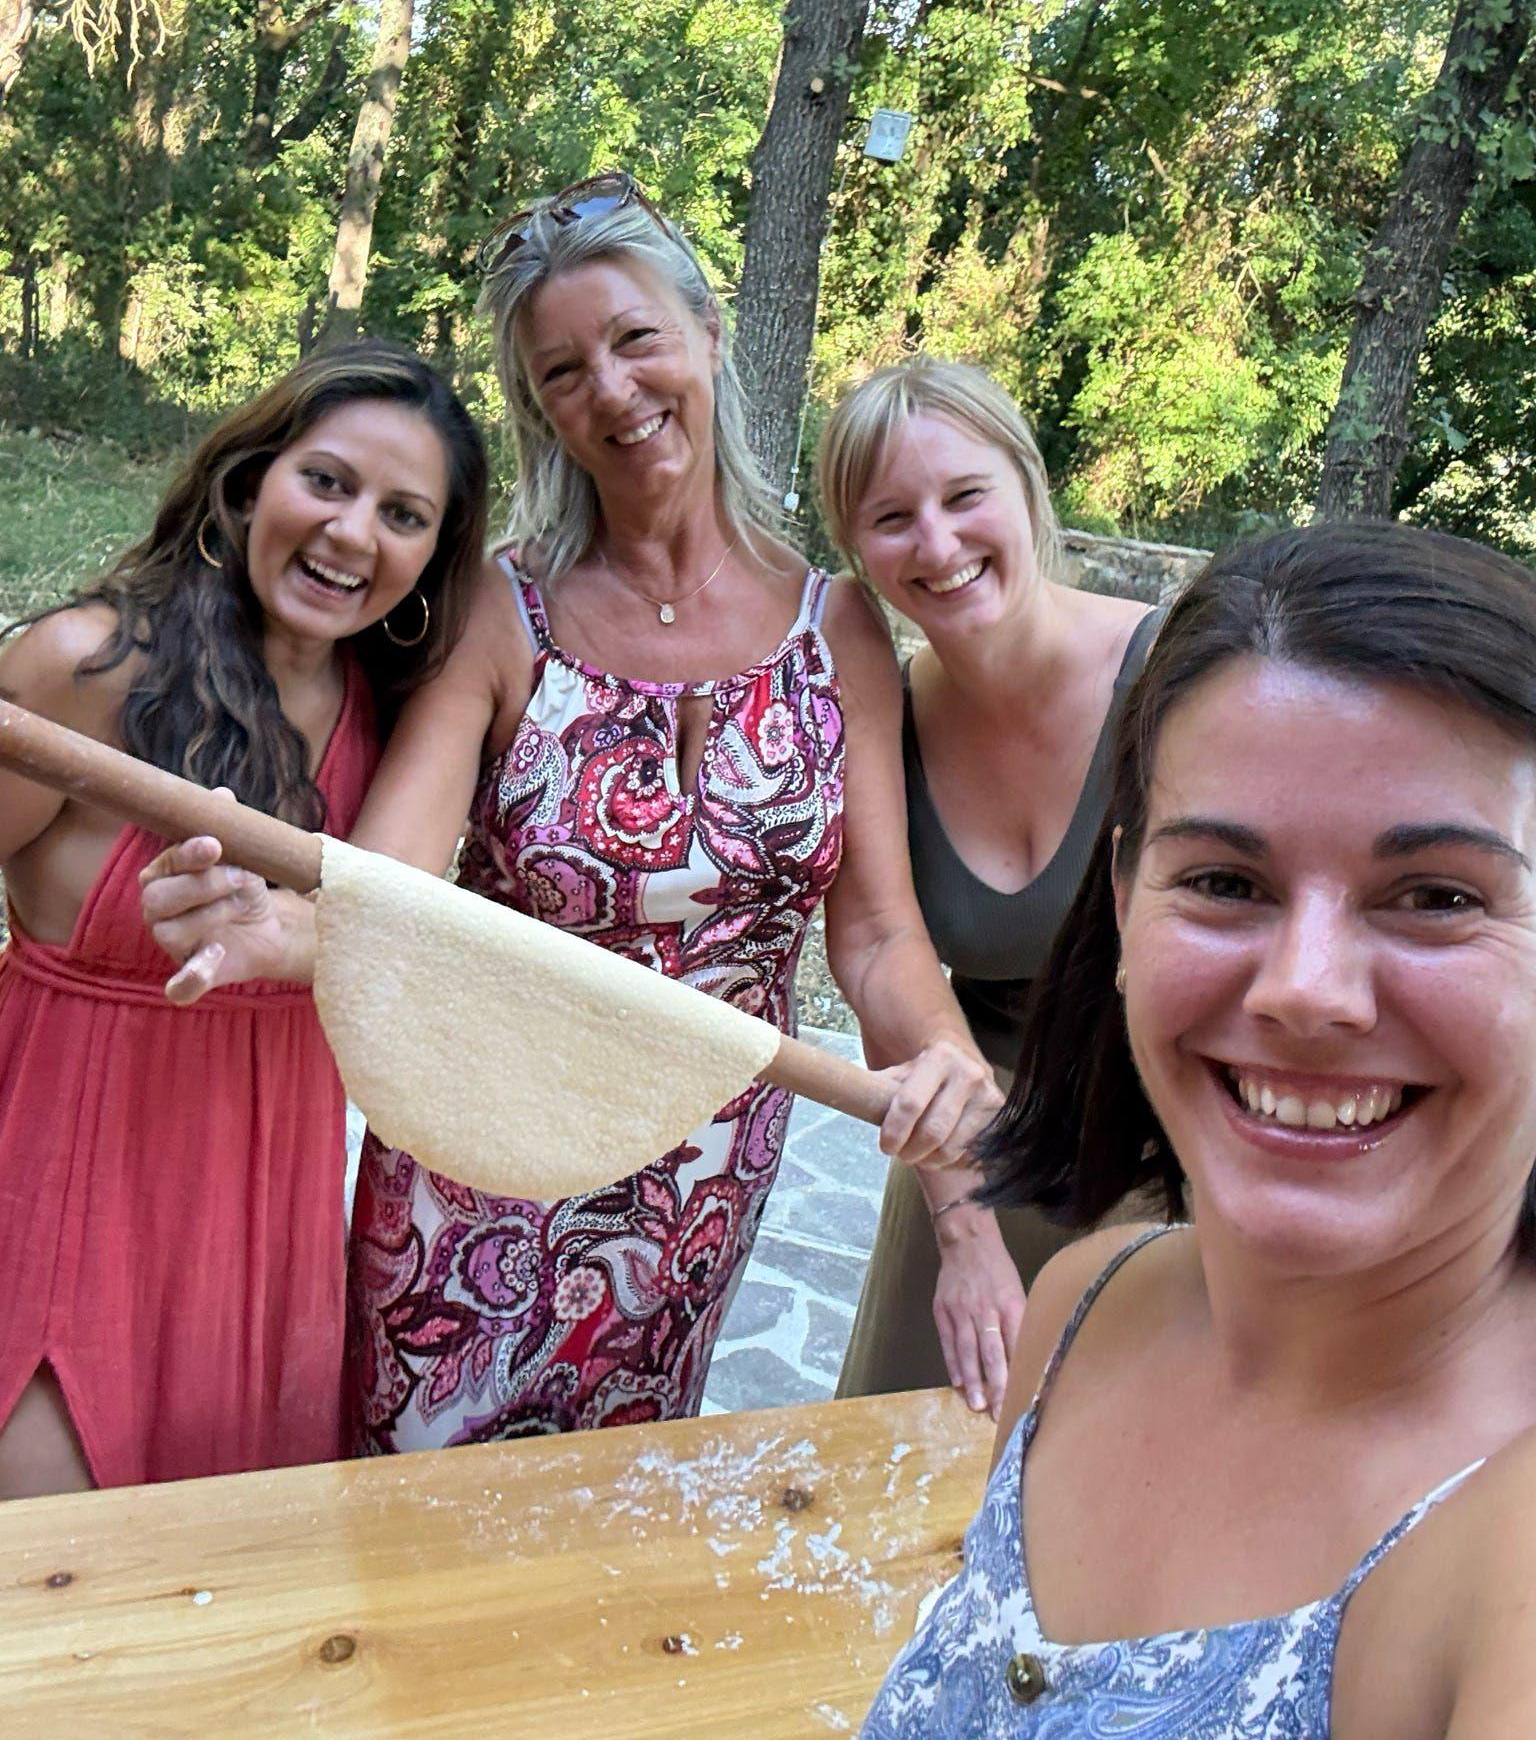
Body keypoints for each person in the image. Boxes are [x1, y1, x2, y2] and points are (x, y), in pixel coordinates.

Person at [143, 173, 1001, 1450]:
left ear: (710, 332)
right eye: (562, 371)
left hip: (700, 1176)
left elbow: (874, 933)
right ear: (540, 408)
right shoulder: (505, 608)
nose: (610, 388)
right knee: (410, 1515)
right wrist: (280, 929)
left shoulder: (841, 631)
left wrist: (948, 1127)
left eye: (636, 339)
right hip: (475, 1152)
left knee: (602, 1523)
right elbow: (387, 887)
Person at [862, 521, 1536, 1739]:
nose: (1305, 986)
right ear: (1120, 901)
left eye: (1438, 895)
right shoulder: (1078, 1308)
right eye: (1227, 880)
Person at [0, 340, 487, 1494]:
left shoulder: (389, 715)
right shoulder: (87, 666)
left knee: (215, 1603)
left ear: (431, 556)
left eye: (404, 512)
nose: (353, 532)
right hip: (68, 1174)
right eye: (326, 481)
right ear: (251, 479)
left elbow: (407, 938)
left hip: (261, 1222)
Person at [817, 357, 1160, 1419]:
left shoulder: (1169, 669)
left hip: (1161, 1146)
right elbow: (882, 946)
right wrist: (962, 1224)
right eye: (891, 517)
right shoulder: (884, 706)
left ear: (1026, 486)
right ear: (856, 548)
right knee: (901, 1473)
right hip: (970, 1147)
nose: (938, 543)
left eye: (965, 496)